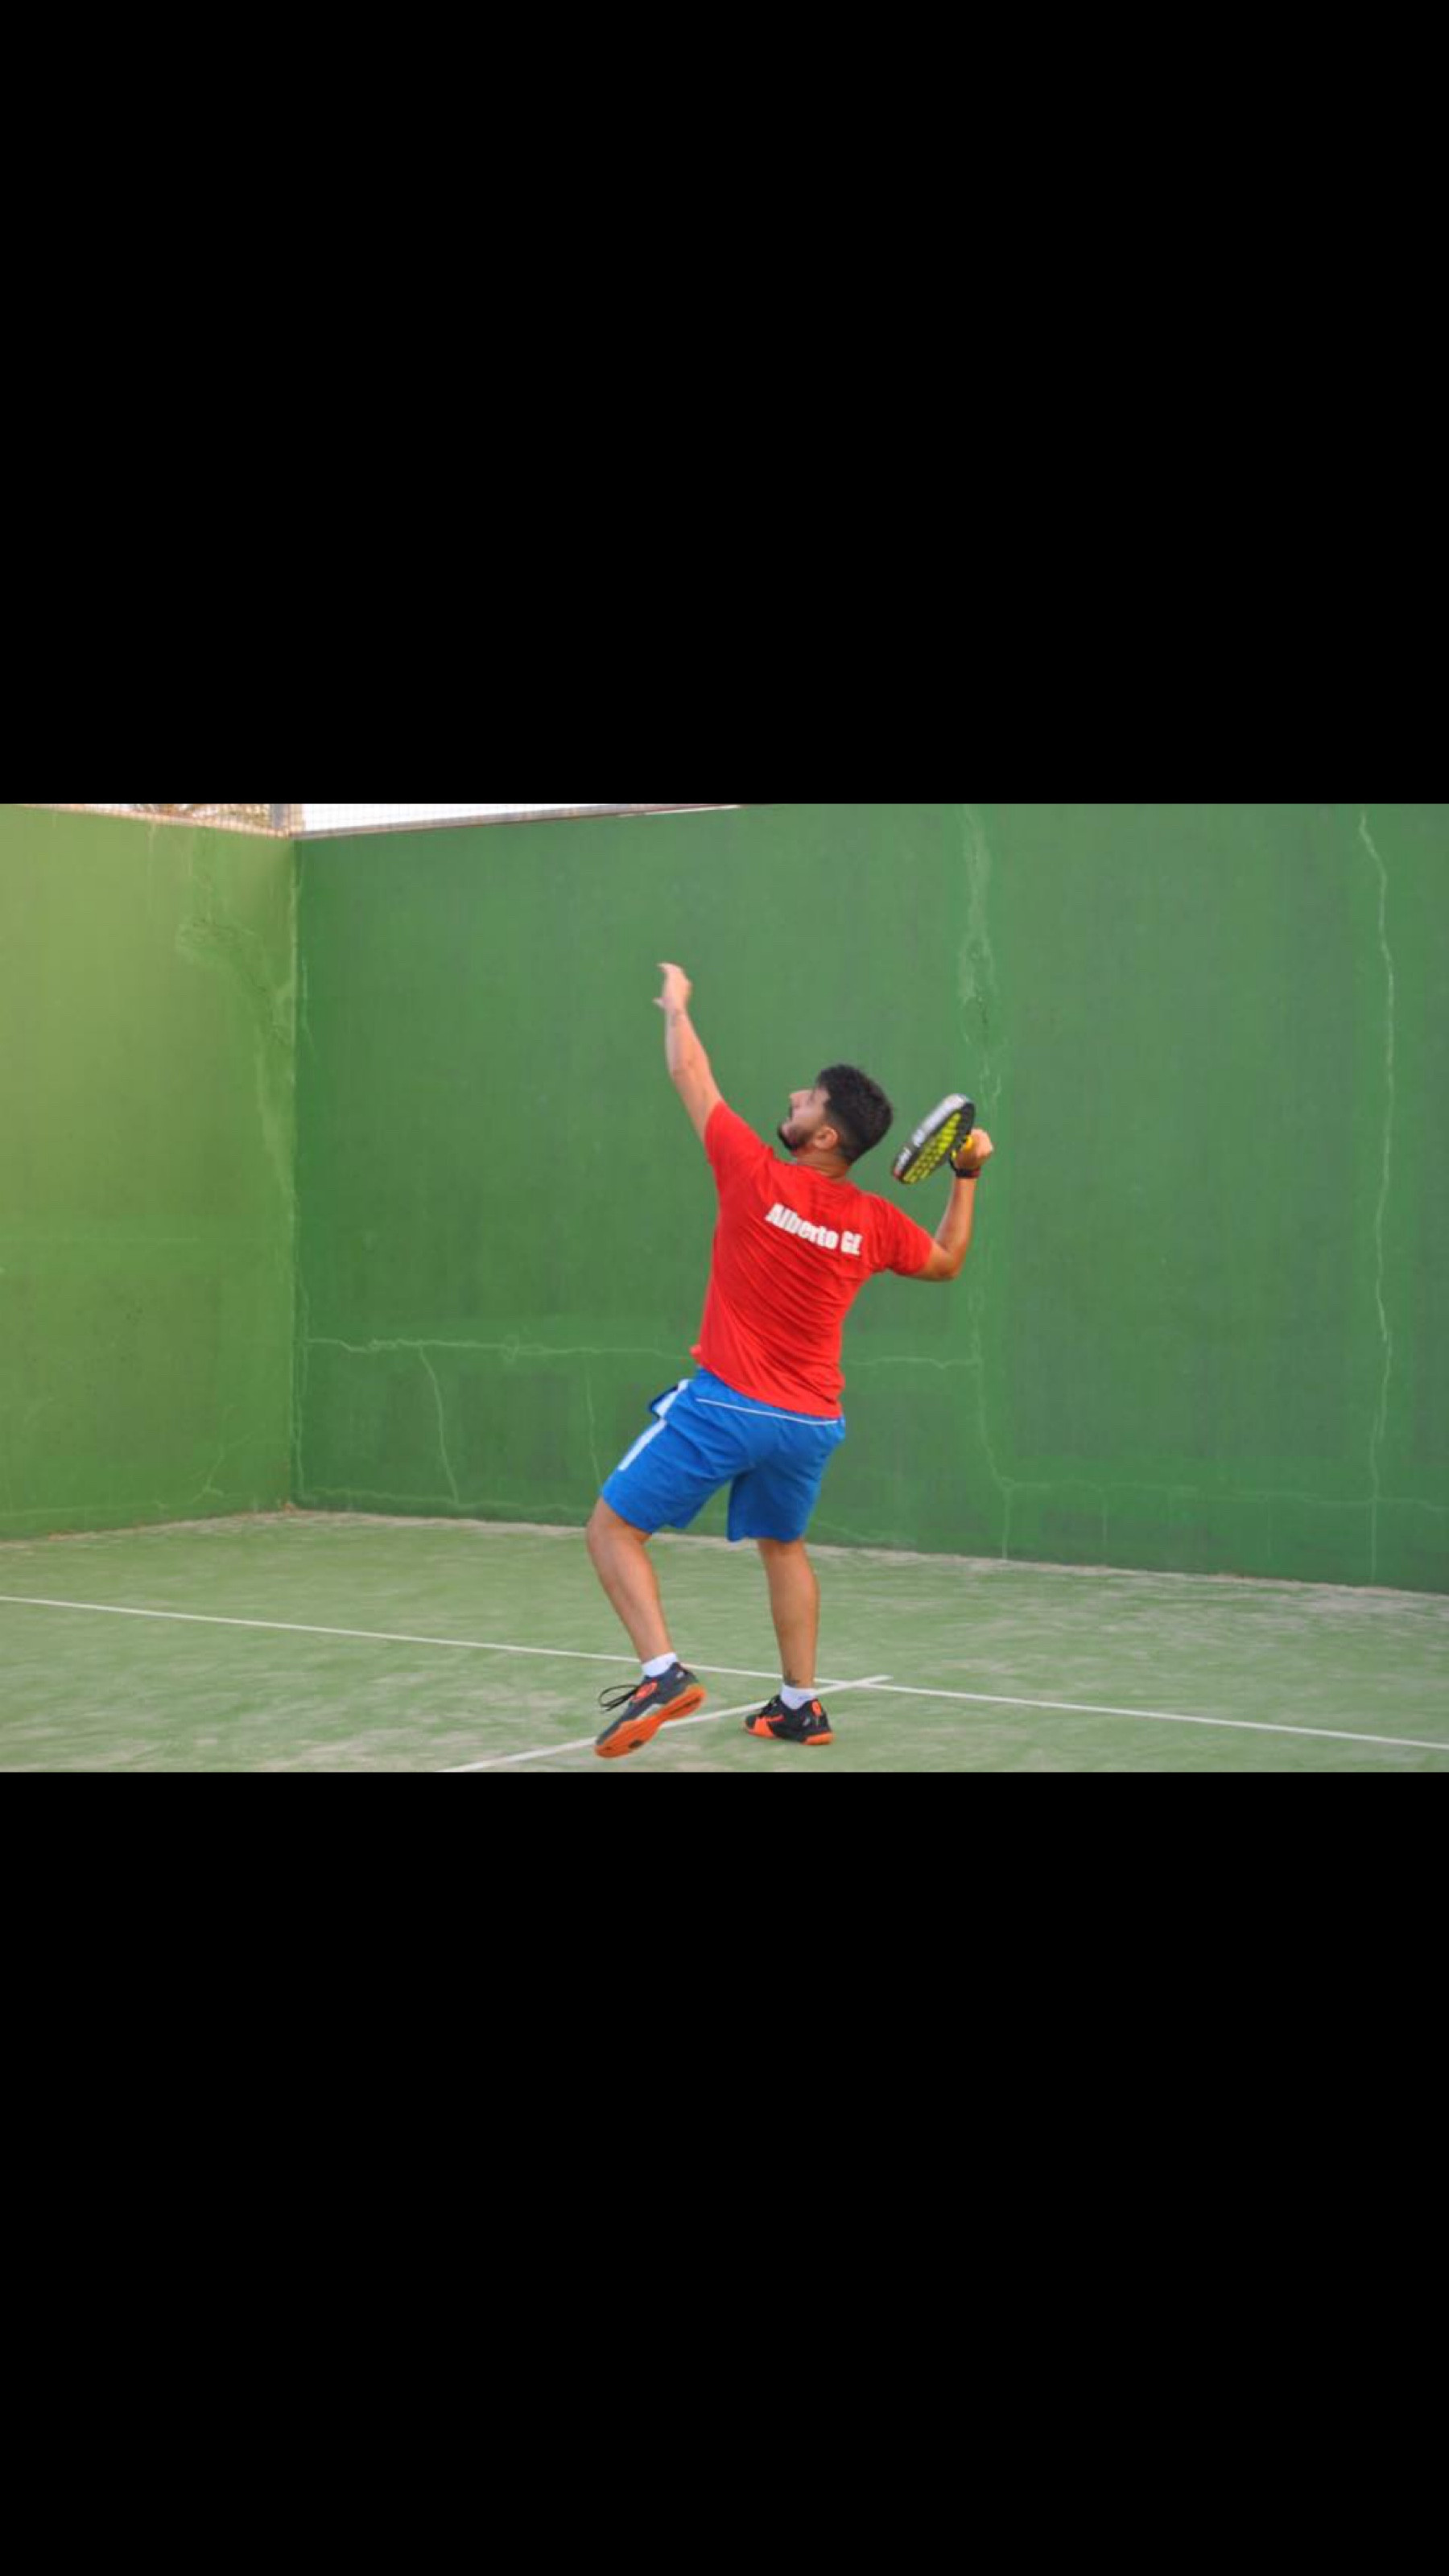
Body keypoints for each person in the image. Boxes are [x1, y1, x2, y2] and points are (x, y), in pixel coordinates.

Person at [587, 964, 995, 1759]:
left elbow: (689, 1071)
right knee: (784, 1546)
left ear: (826, 1136)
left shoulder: (753, 1172)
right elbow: (948, 1259)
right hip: (809, 1424)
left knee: (611, 1530)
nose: (794, 1098)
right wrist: (968, 1174)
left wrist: (676, 1006)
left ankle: (662, 1674)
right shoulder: (876, 1222)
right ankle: (800, 1705)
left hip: (727, 1406)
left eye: (807, 1099)